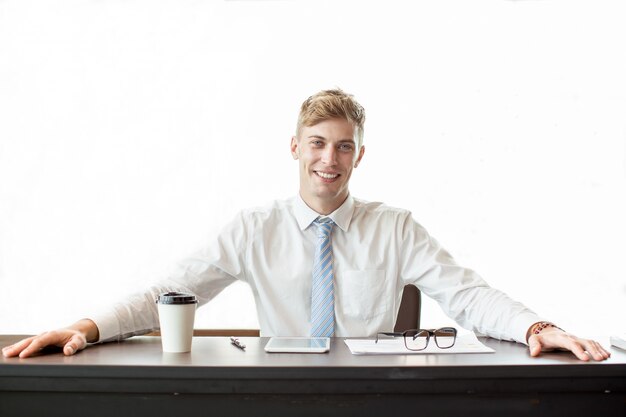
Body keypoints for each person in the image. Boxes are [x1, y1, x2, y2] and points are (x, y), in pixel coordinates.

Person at [3, 89, 610, 361]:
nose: (329, 160)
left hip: (377, 404)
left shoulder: (395, 228)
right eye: (317, 144)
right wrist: (85, 325)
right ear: (294, 147)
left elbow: (468, 294)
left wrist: (539, 325)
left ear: (360, 156)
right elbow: (165, 292)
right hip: (276, 399)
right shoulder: (252, 228)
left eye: (344, 147)